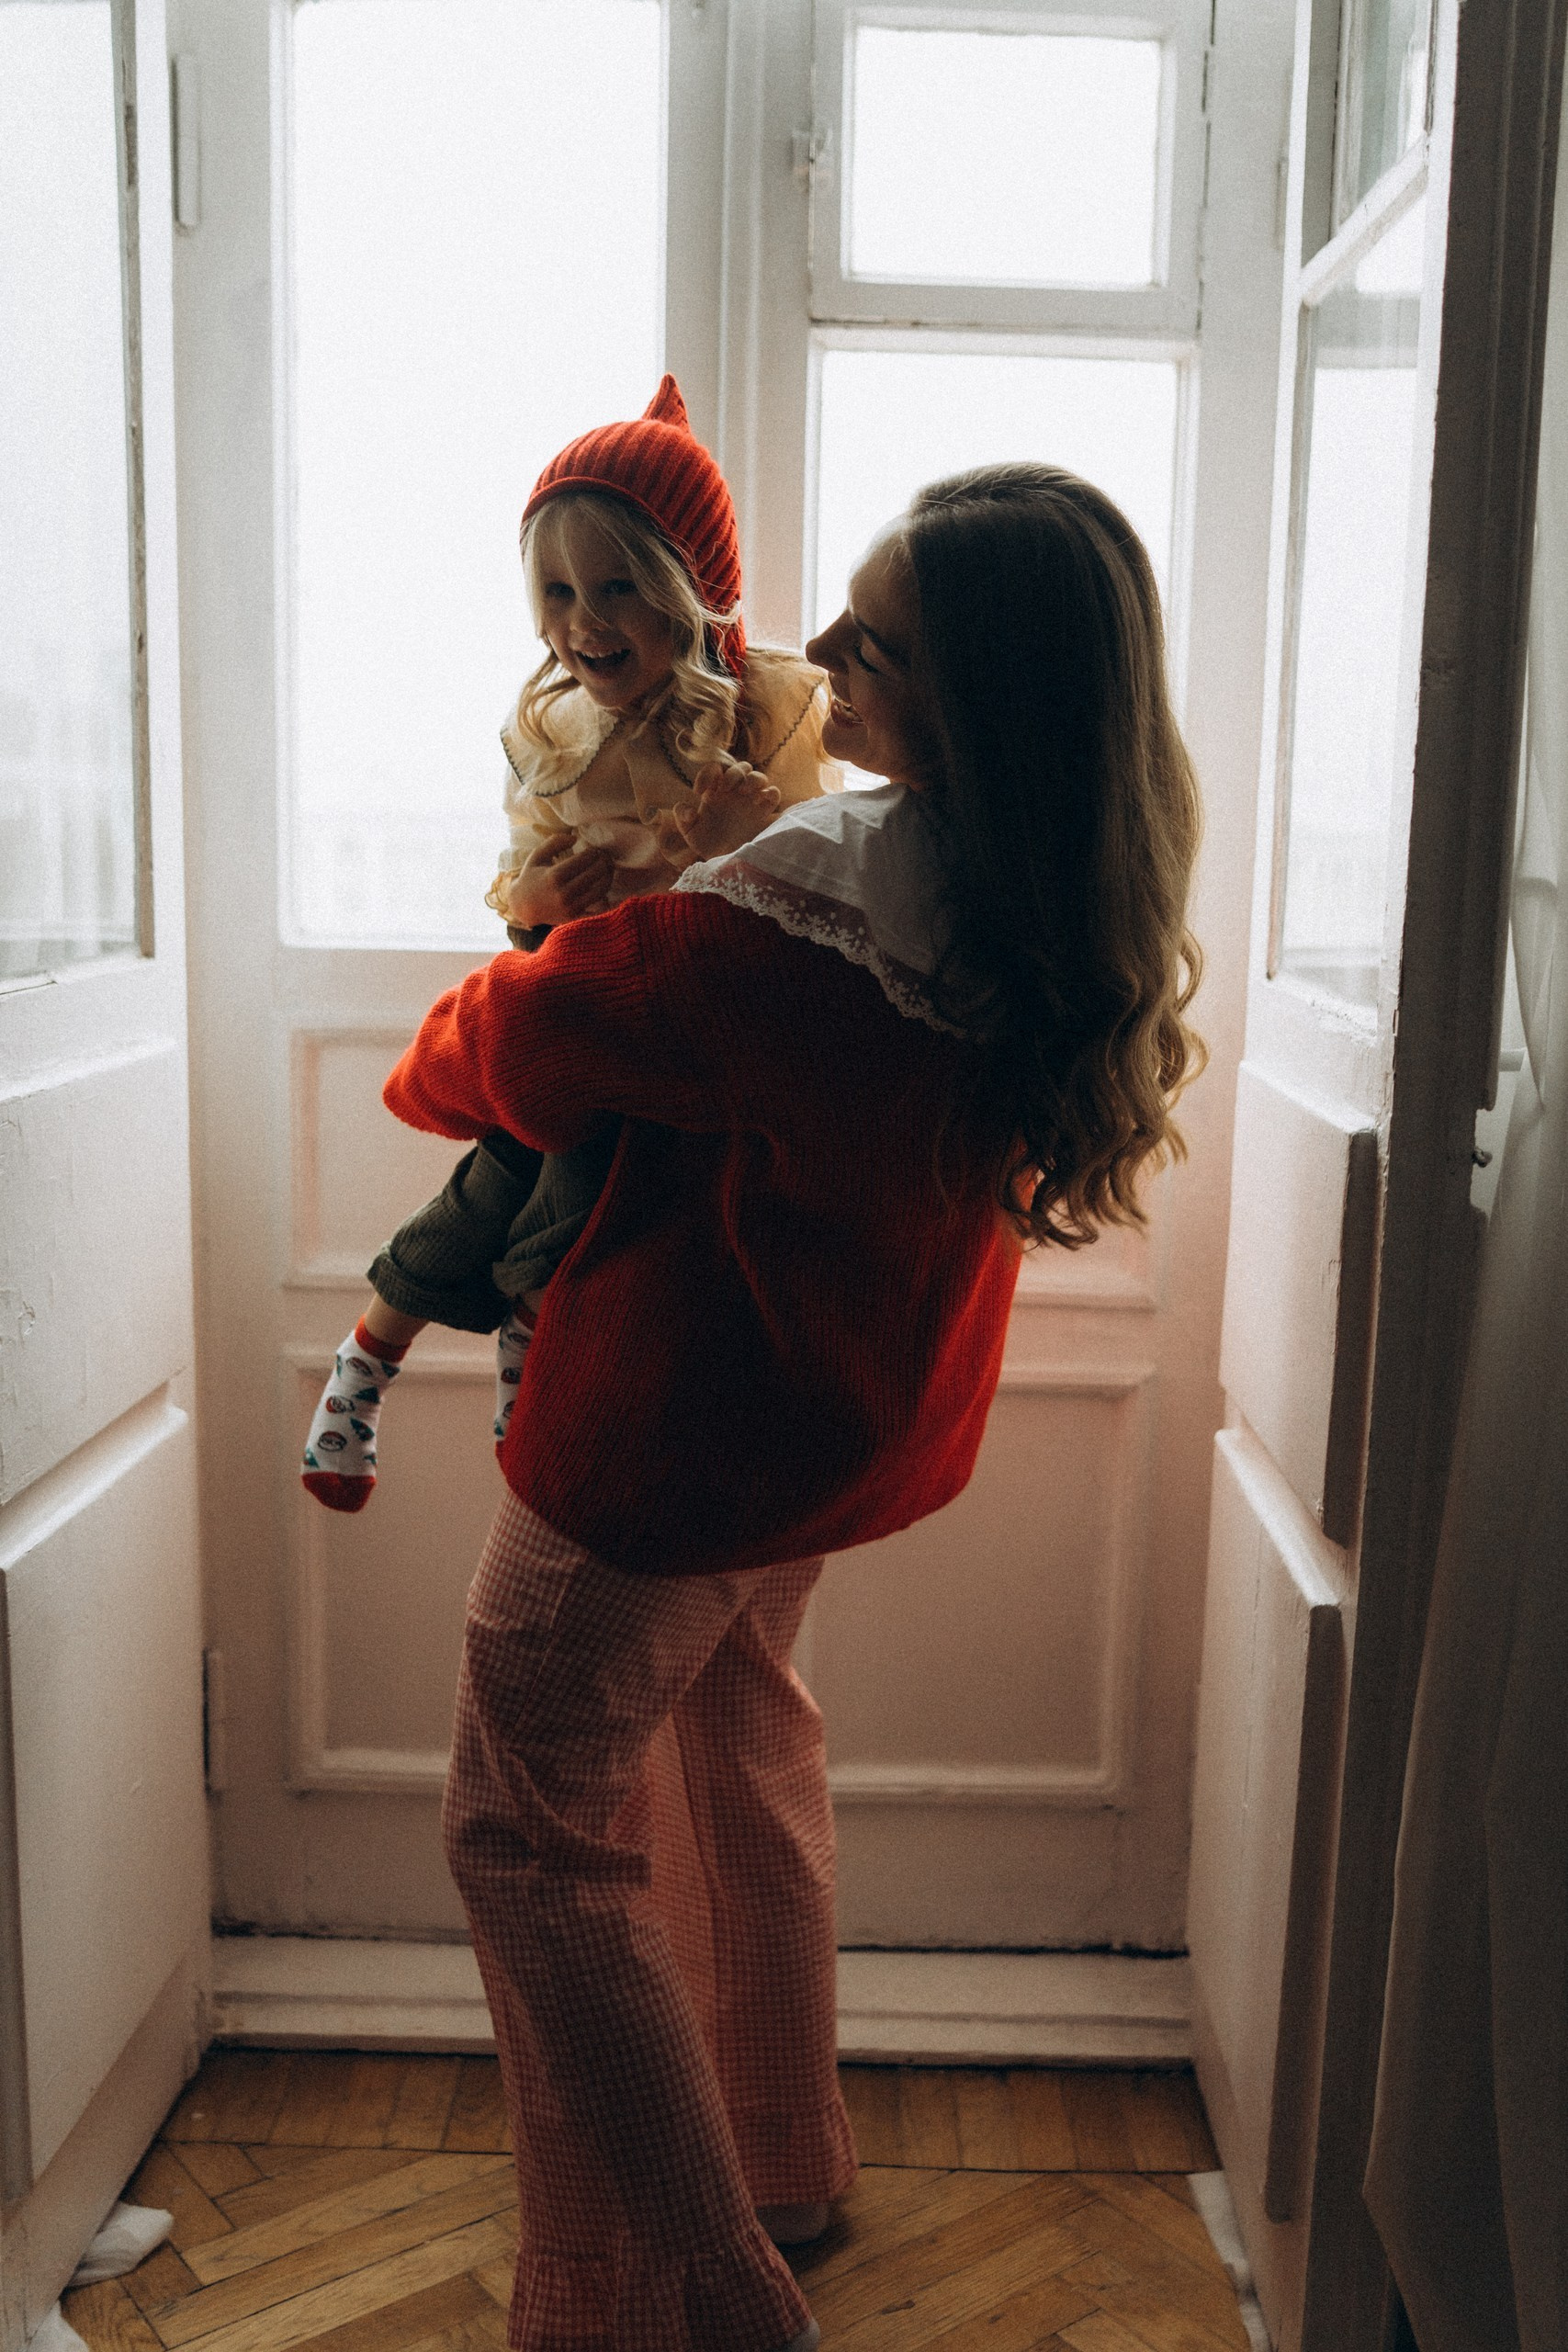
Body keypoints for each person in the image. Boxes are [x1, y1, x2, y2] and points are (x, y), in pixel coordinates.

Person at [380, 462, 1205, 2352]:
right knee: (746, 1748)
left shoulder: (776, 922)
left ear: (973, 701)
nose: (816, 648)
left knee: (527, 1836)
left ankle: (700, 2281)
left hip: (660, 1455)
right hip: (829, 1444)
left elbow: (474, 1062)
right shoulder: (1034, 895)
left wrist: (608, 915)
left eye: (878, 639)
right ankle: (783, 2148)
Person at [300, 379, 837, 1510]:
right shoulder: (554, 730)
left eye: (618, 589)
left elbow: (807, 916)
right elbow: (527, 887)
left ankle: (515, 1363)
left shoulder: (772, 707)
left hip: (674, 1028)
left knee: (565, 1179)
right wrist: (533, 901)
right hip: (582, 1002)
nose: (583, 620)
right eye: (556, 590)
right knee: (502, 1159)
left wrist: (747, 838)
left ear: (692, 593)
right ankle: (368, 1356)